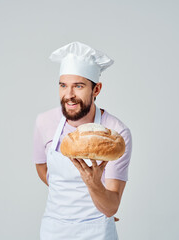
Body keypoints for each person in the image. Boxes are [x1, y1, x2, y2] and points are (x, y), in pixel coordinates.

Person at [32, 41, 132, 239]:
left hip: (97, 231)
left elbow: (111, 206)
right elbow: (42, 167)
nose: (69, 95)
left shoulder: (116, 134)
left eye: (78, 86)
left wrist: (94, 187)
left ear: (96, 90)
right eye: (63, 86)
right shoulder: (44, 122)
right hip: (54, 229)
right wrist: (72, 201)